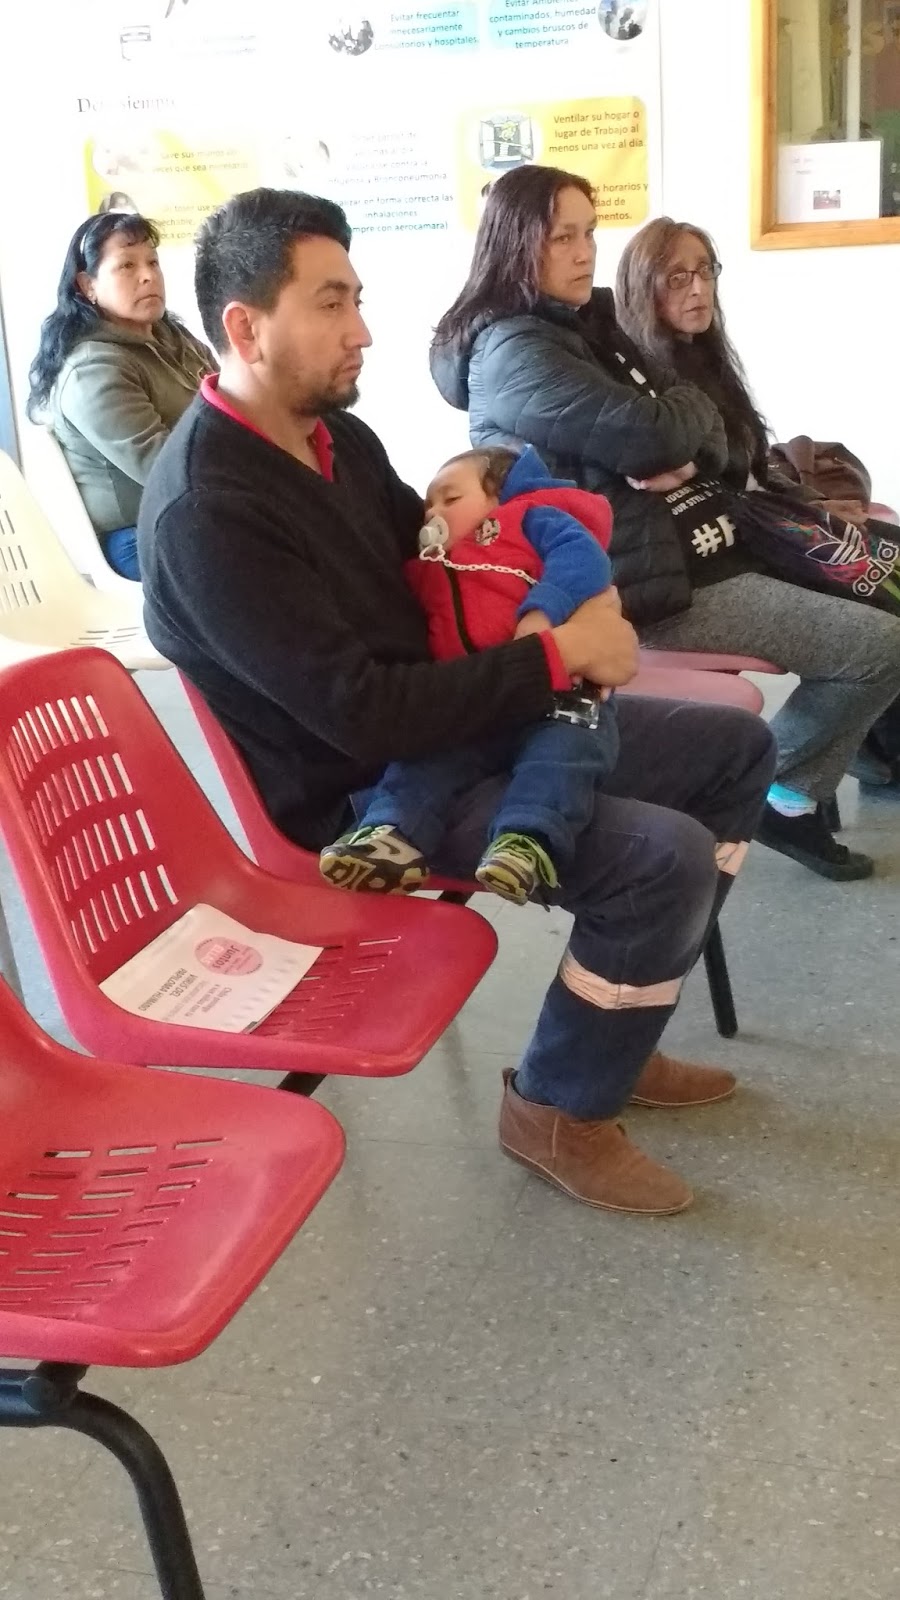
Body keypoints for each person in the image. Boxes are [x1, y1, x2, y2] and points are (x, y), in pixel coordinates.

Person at [139, 186, 776, 1219]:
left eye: (357, 298)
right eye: (332, 303)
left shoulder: (338, 440)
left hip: (466, 720)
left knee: (734, 752)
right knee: (663, 860)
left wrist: (562, 596)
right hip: (373, 795)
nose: (362, 330)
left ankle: (619, 1020)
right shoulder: (210, 511)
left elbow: (449, 562)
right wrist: (558, 657)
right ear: (246, 329)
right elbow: (365, 716)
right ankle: (559, 1106)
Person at [429, 165, 900, 882]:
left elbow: (709, 429)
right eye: (562, 237)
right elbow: (655, 435)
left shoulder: (588, 323)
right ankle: (781, 792)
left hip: (700, 542)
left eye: (589, 233)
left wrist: (679, 434)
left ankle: (841, 766)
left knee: (878, 575)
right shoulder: (517, 353)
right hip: (640, 583)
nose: (585, 253)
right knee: (879, 646)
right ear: (515, 244)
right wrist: (671, 434)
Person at [319, 443, 621, 905]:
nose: (433, 513)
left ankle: (526, 841)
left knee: (563, 758)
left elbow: (582, 560)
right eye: (429, 504)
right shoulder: (432, 567)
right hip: (480, 702)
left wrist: (543, 613)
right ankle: (388, 834)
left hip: (561, 698)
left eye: (451, 498)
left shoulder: (530, 520)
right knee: (426, 758)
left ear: (501, 494)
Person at [27, 211, 216, 580]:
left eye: (153, 262)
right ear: (87, 286)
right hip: (139, 534)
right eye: (127, 265)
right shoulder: (92, 369)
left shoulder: (176, 339)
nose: (148, 276)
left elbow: (234, 410)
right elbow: (166, 468)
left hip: (195, 511)